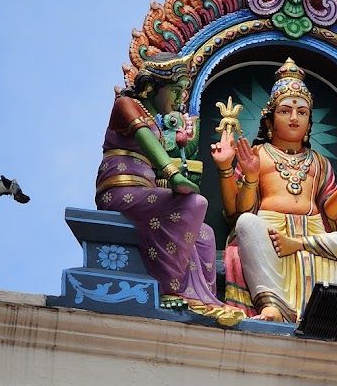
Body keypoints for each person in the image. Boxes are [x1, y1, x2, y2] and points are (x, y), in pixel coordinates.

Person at [212, 59, 337, 323]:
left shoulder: (320, 162)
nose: (294, 118)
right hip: (272, 238)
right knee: (246, 223)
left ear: (310, 122)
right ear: (269, 120)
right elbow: (236, 212)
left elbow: (332, 219)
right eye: (285, 111)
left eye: (302, 112)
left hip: (317, 243)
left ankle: (316, 293)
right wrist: (237, 172)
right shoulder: (258, 154)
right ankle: (272, 305)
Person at [95, 53, 240, 324]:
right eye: (175, 91)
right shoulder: (126, 105)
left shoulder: (155, 121)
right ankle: (168, 288)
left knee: (205, 233)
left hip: (144, 192)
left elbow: (159, 153)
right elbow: (146, 142)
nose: (179, 99)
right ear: (152, 87)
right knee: (195, 204)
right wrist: (172, 174)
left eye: (183, 92)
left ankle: (201, 298)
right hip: (121, 191)